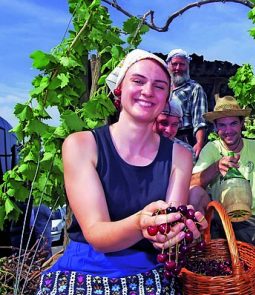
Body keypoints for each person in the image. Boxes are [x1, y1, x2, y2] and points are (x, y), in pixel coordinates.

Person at [37, 49, 207, 295]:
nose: (148, 91)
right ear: (119, 89)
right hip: (85, 269)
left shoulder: (180, 156)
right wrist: (141, 223)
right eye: (138, 81)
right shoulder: (81, 145)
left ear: (166, 98)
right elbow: (97, 234)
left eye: (159, 86)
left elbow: (167, 232)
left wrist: (179, 235)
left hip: (148, 272)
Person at [190, 95, 255, 246]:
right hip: (218, 219)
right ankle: (199, 248)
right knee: (195, 193)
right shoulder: (212, 148)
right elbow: (192, 184)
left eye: (233, 123)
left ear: (242, 124)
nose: (228, 130)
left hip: (252, 220)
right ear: (216, 127)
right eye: (222, 125)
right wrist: (215, 167)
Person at [166, 49, 208, 157]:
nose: (178, 68)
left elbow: (200, 121)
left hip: (184, 139)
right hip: (162, 136)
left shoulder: (195, 89)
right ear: (168, 65)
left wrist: (199, 143)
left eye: (182, 64)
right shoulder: (162, 88)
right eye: (174, 64)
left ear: (187, 67)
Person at [155, 97, 197, 163]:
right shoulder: (137, 145)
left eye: (174, 124)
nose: (168, 130)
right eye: (163, 123)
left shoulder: (185, 152)